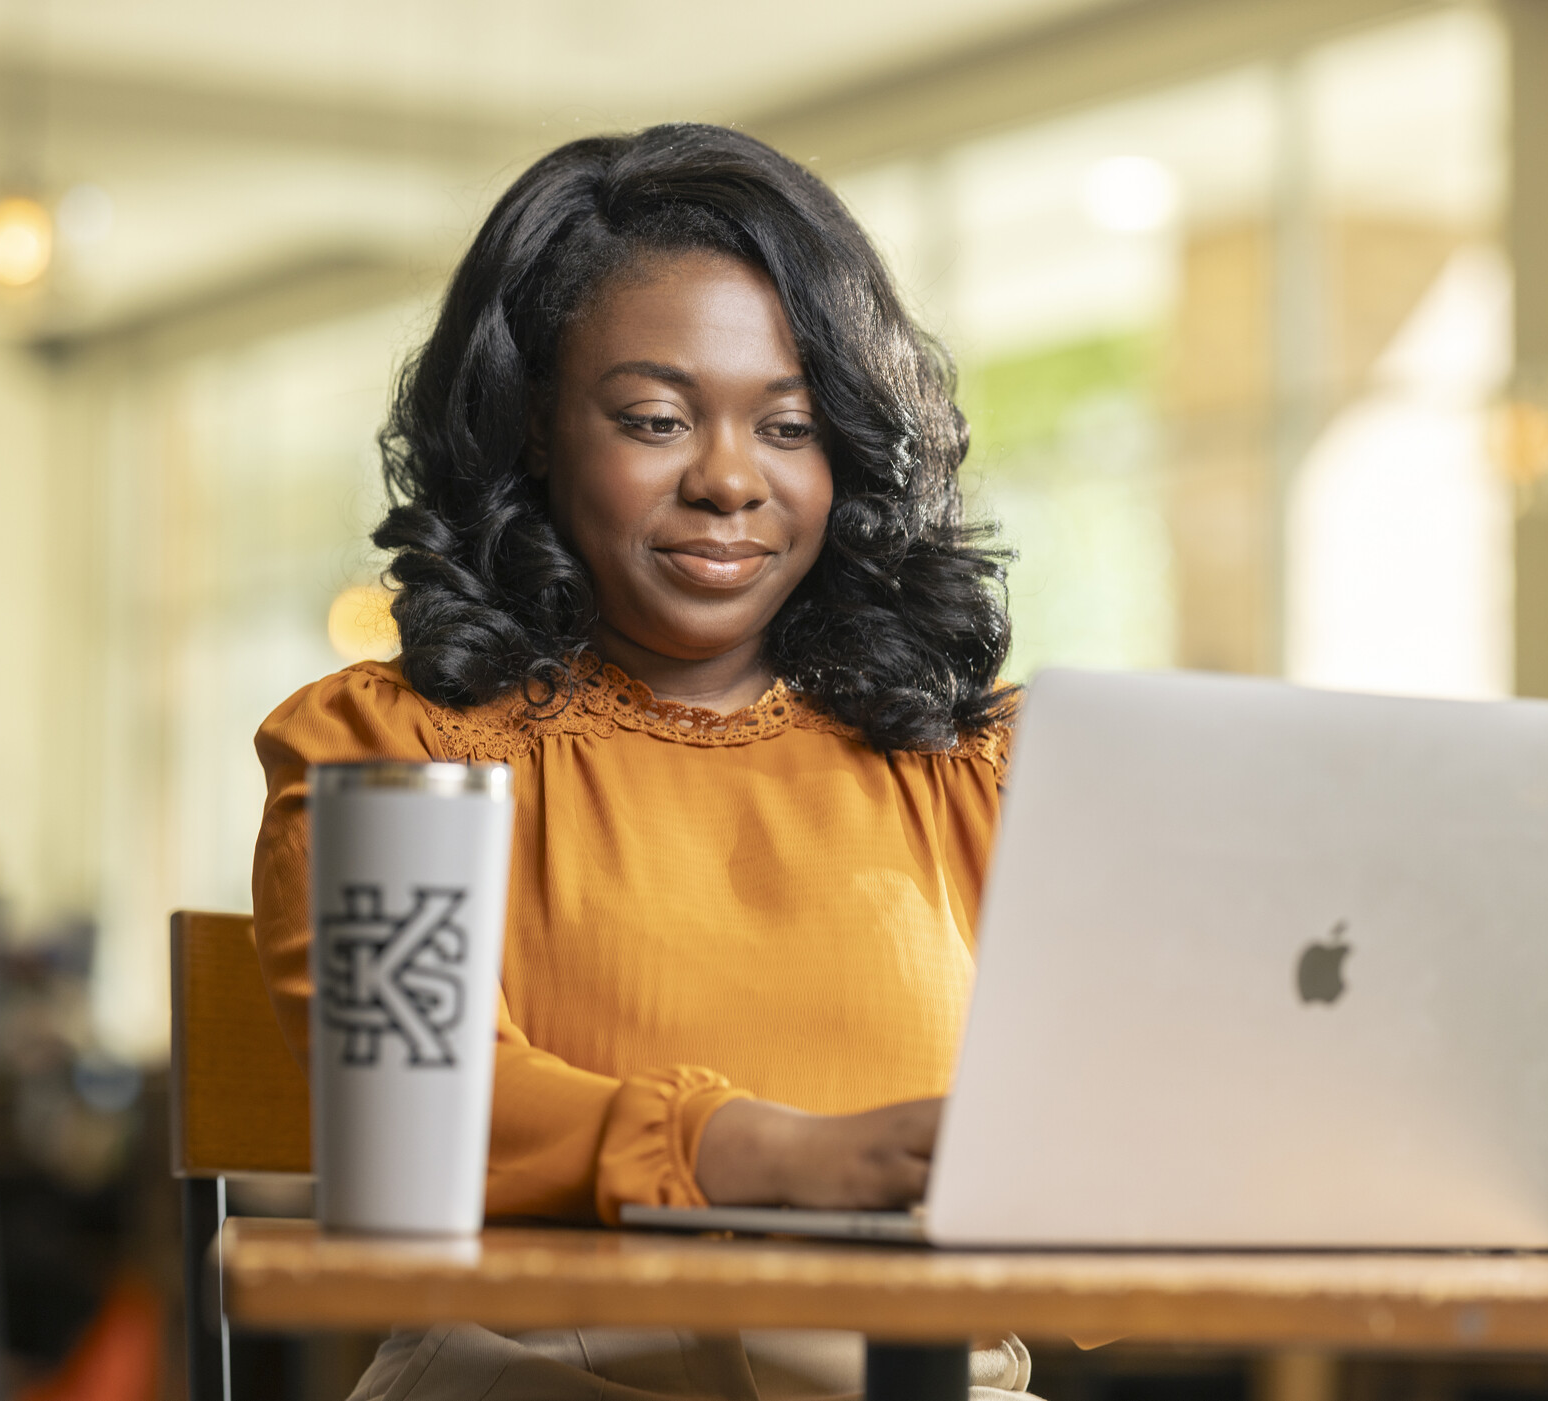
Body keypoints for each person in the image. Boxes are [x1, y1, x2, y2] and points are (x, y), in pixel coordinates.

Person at [252, 123, 1034, 1400]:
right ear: (535, 435)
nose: (730, 481)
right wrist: (759, 1151)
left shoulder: (970, 770)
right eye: (657, 419)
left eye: (789, 427)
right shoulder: (392, 752)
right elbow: (420, 1117)